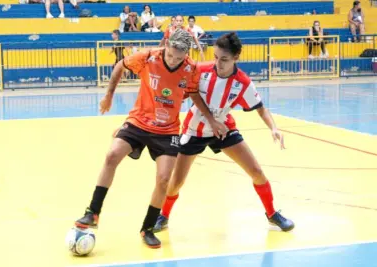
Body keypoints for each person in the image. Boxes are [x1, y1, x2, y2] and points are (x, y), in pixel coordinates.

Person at [74, 29, 227, 249]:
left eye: (178, 57)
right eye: (170, 54)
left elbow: (193, 93)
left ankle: (147, 228)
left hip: (168, 130)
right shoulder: (147, 57)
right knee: (112, 155)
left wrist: (211, 119)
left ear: (186, 55)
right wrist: (108, 95)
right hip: (139, 121)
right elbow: (120, 66)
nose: (173, 60)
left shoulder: (191, 69)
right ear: (166, 45)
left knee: (164, 179)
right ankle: (93, 213)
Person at [153, 32, 295, 233]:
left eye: (224, 60)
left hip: (223, 129)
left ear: (236, 58)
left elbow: (260, 107)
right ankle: (163, 216)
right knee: (176, 183)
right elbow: (180, 88)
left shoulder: (242, 83)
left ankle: (272, 214)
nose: (218, 63)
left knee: (256, 172)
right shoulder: (200, 71)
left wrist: (274, 128)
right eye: (216, 57)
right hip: (194, 130)